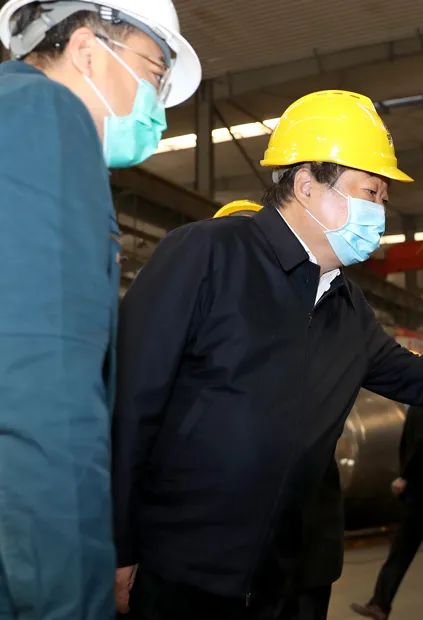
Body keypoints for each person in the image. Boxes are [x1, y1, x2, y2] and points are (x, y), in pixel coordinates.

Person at [111, 89, 423, 620]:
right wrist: (117, 544)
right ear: (306, 185)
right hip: (181, 571)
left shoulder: (346, 306)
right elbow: (130, 402)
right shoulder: (208, 255)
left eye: (383, 198)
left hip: (288, 580)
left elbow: (422, 378)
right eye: (371, 192)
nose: (379, 212)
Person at [0, 1, 199, 618]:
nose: (158, 107)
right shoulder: (48, 119)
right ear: (86, 49)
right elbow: (44, 393)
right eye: (154, 73)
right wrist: (72, 595)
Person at [351, 405, 423, 620]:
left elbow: (421, 444)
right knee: (405, 552)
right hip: (422, 492)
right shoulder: (422, 403)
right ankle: (381, 603)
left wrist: (404, 476)